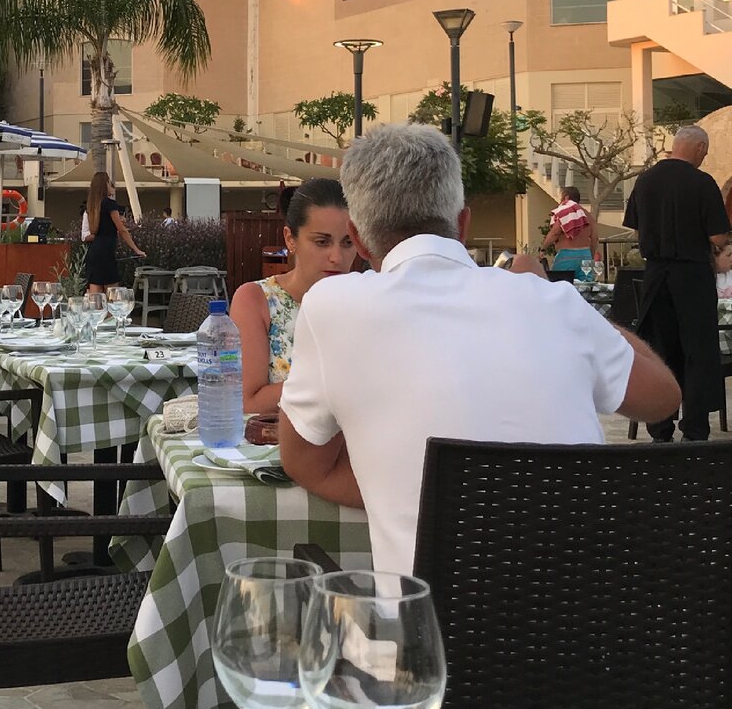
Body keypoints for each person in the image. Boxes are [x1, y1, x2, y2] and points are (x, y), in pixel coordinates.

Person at [278, 123, 680, 575]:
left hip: (428, 618)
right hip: (585, 609)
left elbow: (304, 463)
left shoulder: (332, 306)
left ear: (358, 235)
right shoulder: (552, 303)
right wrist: (562, 301)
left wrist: (407, 493)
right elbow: (663, 397)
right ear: (463, 223)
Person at [623, 125, 731, 442]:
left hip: (656, 275)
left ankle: (660, 428)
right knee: (697, 351)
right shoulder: (702, 183)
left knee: (660, 350)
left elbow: (637, 231)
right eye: (705, 152)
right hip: (692, 276)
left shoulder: (645, 180)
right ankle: (694, 429)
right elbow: (718, 236)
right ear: (699, 148)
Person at [230, 178, 356, 415]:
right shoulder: (257, 300)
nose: (337, 257)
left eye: (348, 243)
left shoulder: (367, 301)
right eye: (322, 242)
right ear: (290, 239)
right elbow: (249, 403)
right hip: (278, 437)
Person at [84, 171, 145, 292]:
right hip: (106, 251)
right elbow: (122, 230)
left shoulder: (92, 206)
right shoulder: (109, 204)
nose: (112, 186)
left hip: (94, 250)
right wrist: (136, 249)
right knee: (112, 293)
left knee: (95, 294)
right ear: (105, 185)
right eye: (109, 183)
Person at [541, 186, 598, 278]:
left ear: (566, 197)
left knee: (559, 283)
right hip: (586, 254)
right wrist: (590, 256)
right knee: (585, 285)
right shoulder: (588, 215)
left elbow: (555, 233)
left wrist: (543, 248)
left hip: (567, 255)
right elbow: (595, 239)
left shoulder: (566, 212)